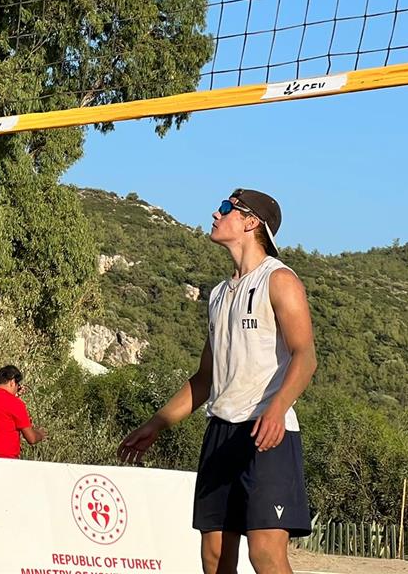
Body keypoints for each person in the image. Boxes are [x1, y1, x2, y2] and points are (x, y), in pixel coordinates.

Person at [118, 189, 316, 574]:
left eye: (226, 208)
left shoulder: (279, 279)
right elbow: (205, 378)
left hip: (266, 429)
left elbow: (305, 356)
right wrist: (155, 424)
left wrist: (277, 410)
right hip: (220, 431)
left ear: (251, 222)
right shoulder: (219, 295)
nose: (215, 213)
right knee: (213, 556)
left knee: (265, 554)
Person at [0, 365, 47, 458]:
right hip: (5, 459)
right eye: (18, 385)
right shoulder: (15, 404)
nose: (17, 388)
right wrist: (40, 434)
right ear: (12, 382)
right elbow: (31, 438)